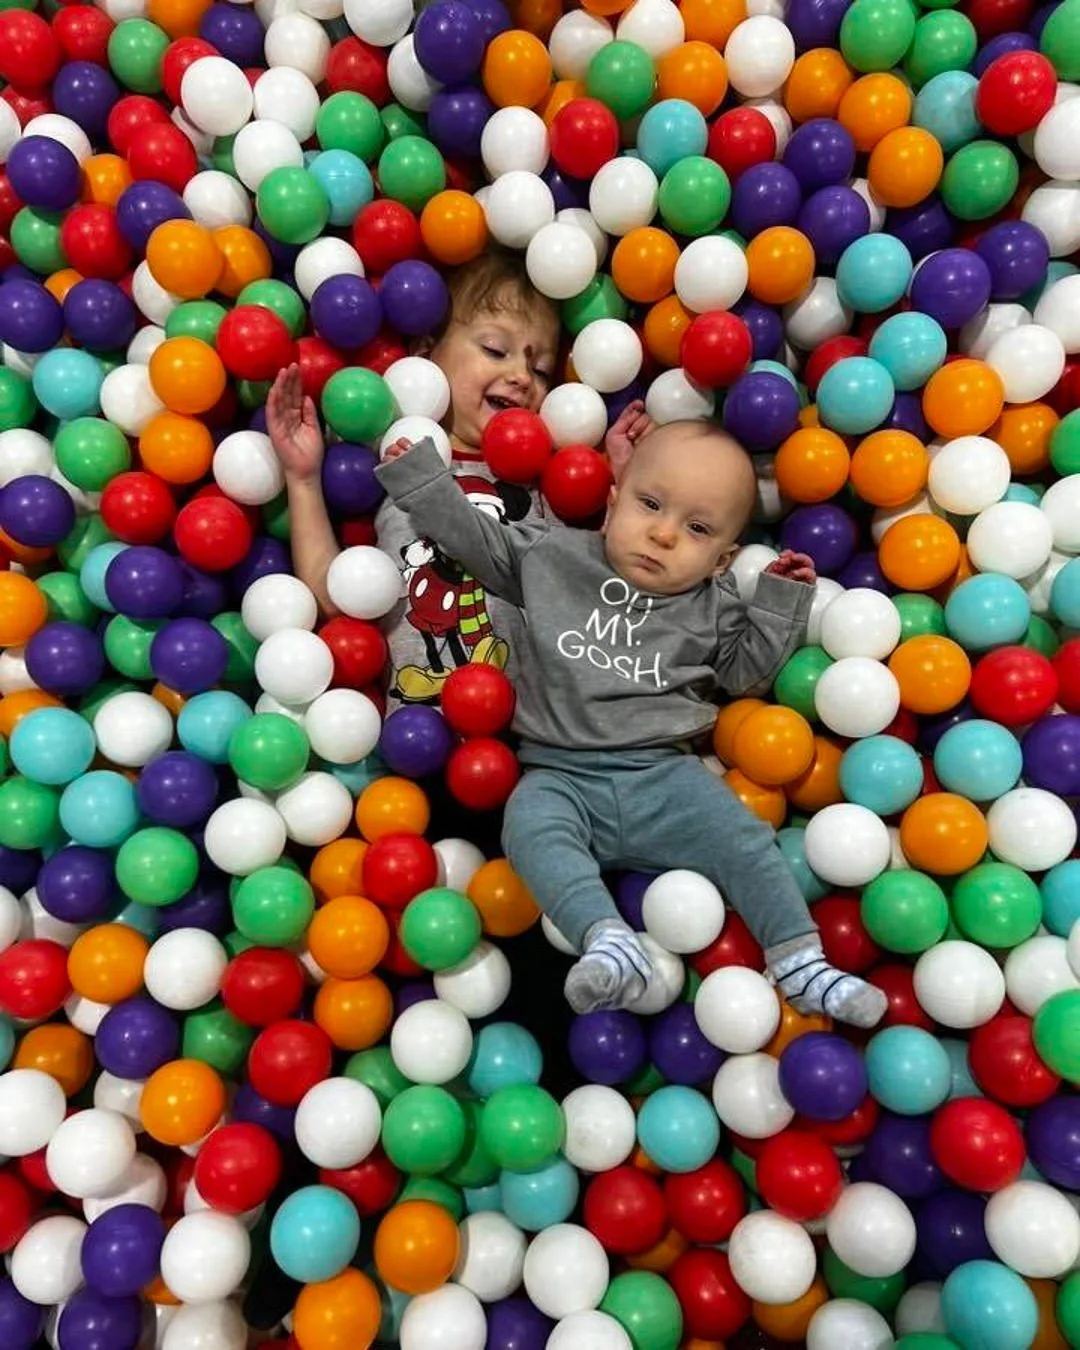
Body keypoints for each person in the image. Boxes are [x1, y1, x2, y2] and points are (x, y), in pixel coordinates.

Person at [374, 419, 889, 1029]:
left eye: (697, 529)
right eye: (650, 504)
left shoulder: (714, 604)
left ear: (722, 559)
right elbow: (477, 541)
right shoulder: (553, 555)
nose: (664, 534)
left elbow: (744, 677)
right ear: (614, 501)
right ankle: (606, 940)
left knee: (747, 842)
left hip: (666, 777)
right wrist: (426, 484)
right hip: (558, 772)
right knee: (529, 829)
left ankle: (802, 961)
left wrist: (777, 606)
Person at [266, 251, 652, 708]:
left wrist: (626, 490)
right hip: (414, 737)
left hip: (531, 739)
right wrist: (303, 476)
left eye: (542, 370)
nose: (521, 377)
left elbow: (598, 594)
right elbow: (334, 597)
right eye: (494, 350)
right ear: (425, 354)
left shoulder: (547, 486)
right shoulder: (390, 464)